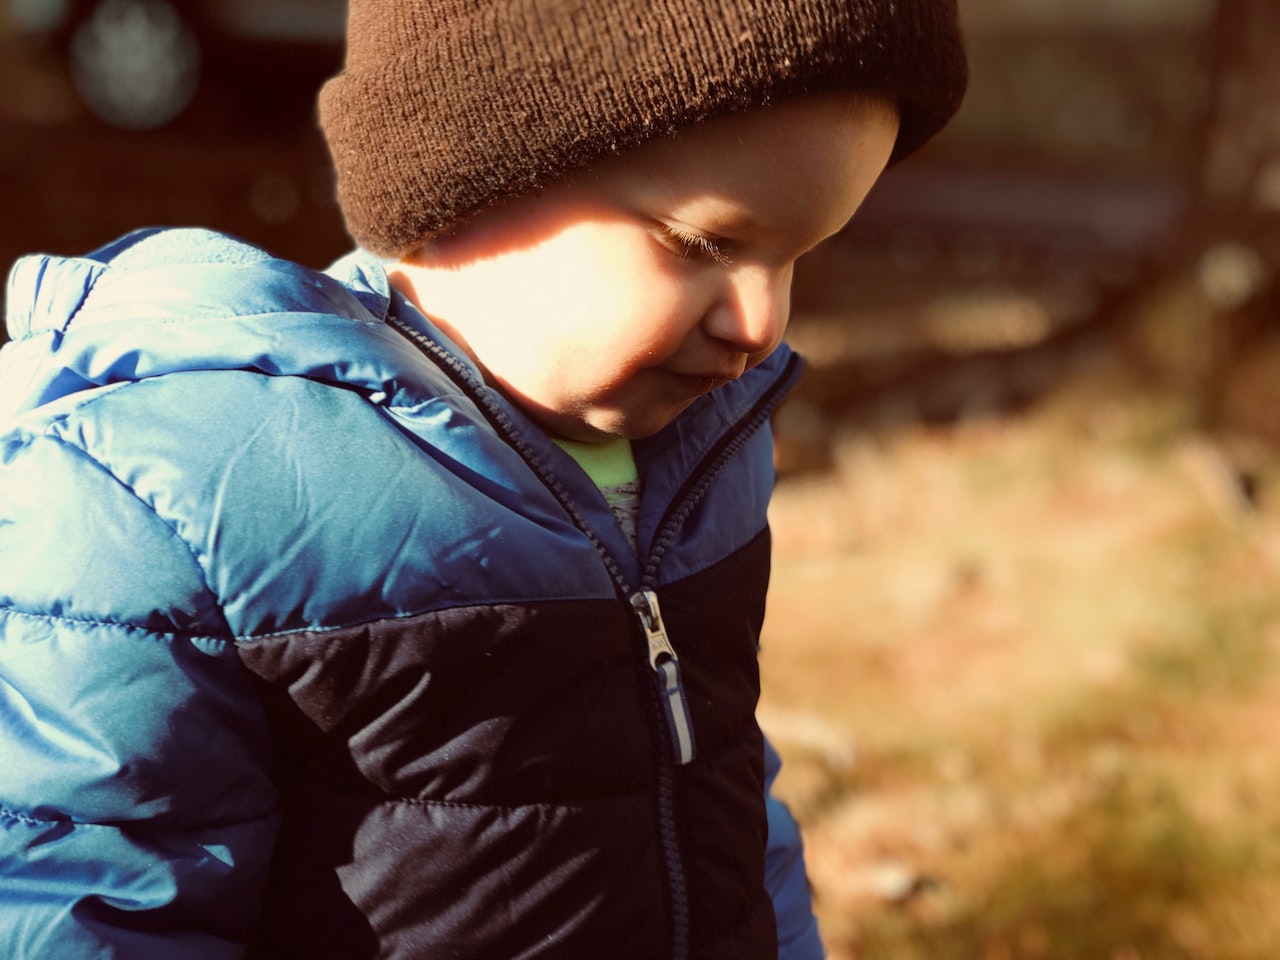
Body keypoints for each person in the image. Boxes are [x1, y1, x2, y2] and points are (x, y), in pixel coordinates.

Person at [0, 1, 966, 957]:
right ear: (467, 178)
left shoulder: (700, 452)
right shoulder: (182, 497)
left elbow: (721, 795)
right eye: (702, 245)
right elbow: (91, 901)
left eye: (800, 255)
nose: (761, 324)